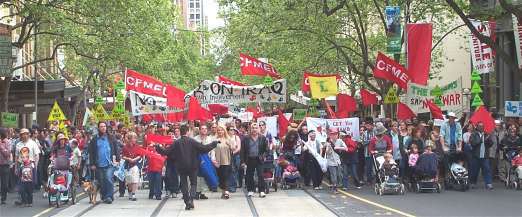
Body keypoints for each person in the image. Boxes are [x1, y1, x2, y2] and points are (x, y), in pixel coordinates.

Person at [156, 125, 218, 210]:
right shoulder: (192, 141)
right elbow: (204, 148)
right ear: (188, 132)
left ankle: (186, 201)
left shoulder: (176, 142)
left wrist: (157, 147)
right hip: (193, 166)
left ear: (180, 132)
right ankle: (191, 199)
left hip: (181, 167)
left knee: (184, 184)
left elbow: (166, 152)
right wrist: (214, 143)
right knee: (193, 183)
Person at [88, 122, 121, 204]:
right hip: (99, 164)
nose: (103, 128)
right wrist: (92, 164)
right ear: (98, 128)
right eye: (101, 126)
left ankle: (109, 196)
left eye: (104, 126)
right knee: (102, 181)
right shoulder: (94, 139)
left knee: (108, 178)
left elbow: (116, 149)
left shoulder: (111, 138)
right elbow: (91, 152)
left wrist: (118, 159)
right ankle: (104, 195)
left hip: (110, 163)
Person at [240, 123, 269, 198]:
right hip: (249, 159)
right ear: (250, 129)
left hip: (259, 159)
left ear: (258, 129)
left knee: (261, 175)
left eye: (256, 128)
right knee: (249, 175)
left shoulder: (262, 138)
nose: (254, 129)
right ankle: (250, 190)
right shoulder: (246, 138)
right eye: (253, 128)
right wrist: (243, 161)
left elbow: (267, 150)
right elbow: (242, 151)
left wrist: (264, 156)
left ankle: (261, 191)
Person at [14, 128, 40, 206]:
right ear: (20, 136)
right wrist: (16, 167)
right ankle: (24, 201)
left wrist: (35, 165)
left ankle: (29, 201)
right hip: (22, 166)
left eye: (26, 134)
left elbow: (37, 155)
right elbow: (16, 157)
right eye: (22, 134)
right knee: (21, 185)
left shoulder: (33, 143)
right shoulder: (18, 144)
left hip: (30, 166)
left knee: (30, 185)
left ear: (28, 135)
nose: (24, 135)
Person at [469, 122, 493, 190]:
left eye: (482, 126)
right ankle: (473, 183)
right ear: (477, 127)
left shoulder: (486, 134)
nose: (481, 127)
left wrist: (488, 140)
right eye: (480, 126)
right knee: (475, 171)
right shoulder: (473, 134)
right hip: (476, 155)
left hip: (485, 156)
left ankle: (488, 183)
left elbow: (491, 144)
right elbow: (473, 143)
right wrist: (481, 140)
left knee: (487, 169)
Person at [193, 125, 215, 200]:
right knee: (197, 176)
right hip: (197, 159)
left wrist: (213, 159)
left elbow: (212, 150)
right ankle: (197, 191)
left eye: (205, 129)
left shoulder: (210, 139)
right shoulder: (195, 139)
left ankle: (203, 192)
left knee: (205, 175)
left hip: (207, 159)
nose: (204, 130)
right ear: (199, 130)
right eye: (202, 129)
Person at [213, 125, 235, 199]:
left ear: (224, 131)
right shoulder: (215, 140)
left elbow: (233, 148)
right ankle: (223, 191)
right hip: (218, 161)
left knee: (226, 176)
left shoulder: (228, 139)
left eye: (221, 130)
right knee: (220, 177)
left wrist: (229, 145)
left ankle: (226, 191)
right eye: (218, 130)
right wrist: (213, 159)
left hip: (226, 160)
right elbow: (212, 150)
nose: (220, 131)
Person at [122, 132, 141, 201]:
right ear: (130, 139)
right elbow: (123, 156)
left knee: (135, 180)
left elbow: (139, 155)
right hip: (127, 166)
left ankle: (133, 194)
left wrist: (134, 159)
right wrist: (128, 159)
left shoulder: (137, 146)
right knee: (129, 181)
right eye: (133, 138)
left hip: (135, 165)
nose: (135, 139)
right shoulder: (125, 147)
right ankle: (130, 192)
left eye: (135, 138)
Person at [227, 126, 241, 192]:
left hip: (235, 155)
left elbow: (238, 148)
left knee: (235, 170)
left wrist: (233, 152)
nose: (232, 131)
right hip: (227, 156)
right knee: (230, 171)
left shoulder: (236, 137)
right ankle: (231, 186)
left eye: (233, 130)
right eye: (230, 130)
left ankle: (234, 185)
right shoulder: (226, 138)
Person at [0, 128, 11, 205]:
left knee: (4, 183)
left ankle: (3, 198)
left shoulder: (7, 142)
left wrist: (1, 146)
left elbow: (7, 154)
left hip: (4, 165)